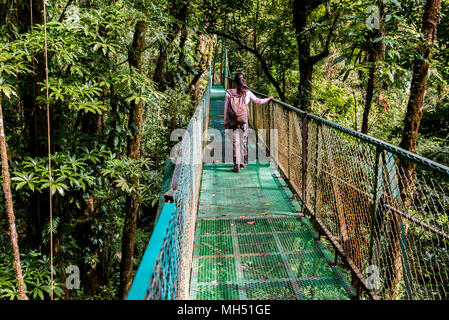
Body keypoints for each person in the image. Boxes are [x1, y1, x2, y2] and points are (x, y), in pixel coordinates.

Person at [224, 72, 273, 173]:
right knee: (244, 141)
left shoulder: (229, 92)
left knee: (235, 142)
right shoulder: (247, 92)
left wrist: (225, 121)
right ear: (244, 81)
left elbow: (225, 109)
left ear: (234, 82)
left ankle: (236, 165)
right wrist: (268, 99)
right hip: (243, 120)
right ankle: (244, 162)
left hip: (232, 120)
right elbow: (258, 101)